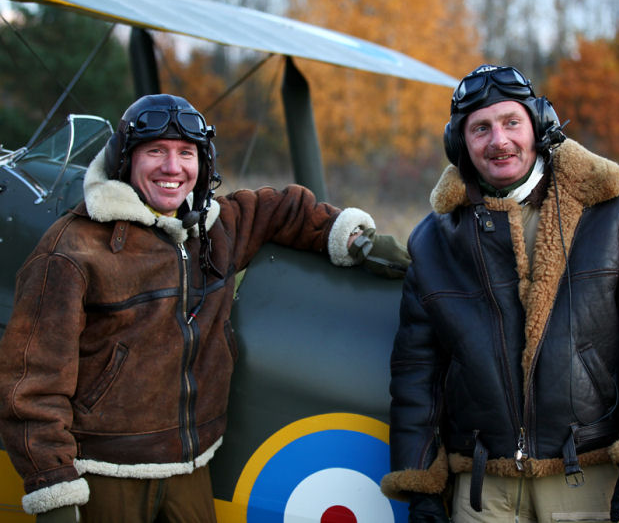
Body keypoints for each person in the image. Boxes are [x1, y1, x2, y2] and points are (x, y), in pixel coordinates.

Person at [0, 94, 409, 522]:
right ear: (124, 160)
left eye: (185, 153)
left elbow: (281, 209)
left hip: (192, 468)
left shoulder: (215, 230)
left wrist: (356, 239)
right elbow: (31, 385)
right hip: (105, 472)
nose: (172, 167)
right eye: (155, 151)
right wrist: (54, 490)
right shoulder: (71, 250)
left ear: (203, 163)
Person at [380, 64, 619, 523]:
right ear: (459, 144)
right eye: (481, 128)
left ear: (540, 126)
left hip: (589, 480)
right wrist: (421, 486)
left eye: (512, 122)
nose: (499, 140)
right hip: (482, 493)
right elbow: (416, 372)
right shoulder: (432, 242)